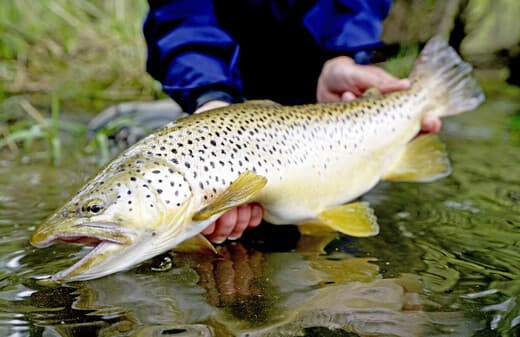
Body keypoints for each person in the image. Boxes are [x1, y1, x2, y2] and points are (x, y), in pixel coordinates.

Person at [143, 0, 441, 244]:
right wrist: (211, 98)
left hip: (322, 82)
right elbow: (183, 17)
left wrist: (344, 55)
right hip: (228, 77)